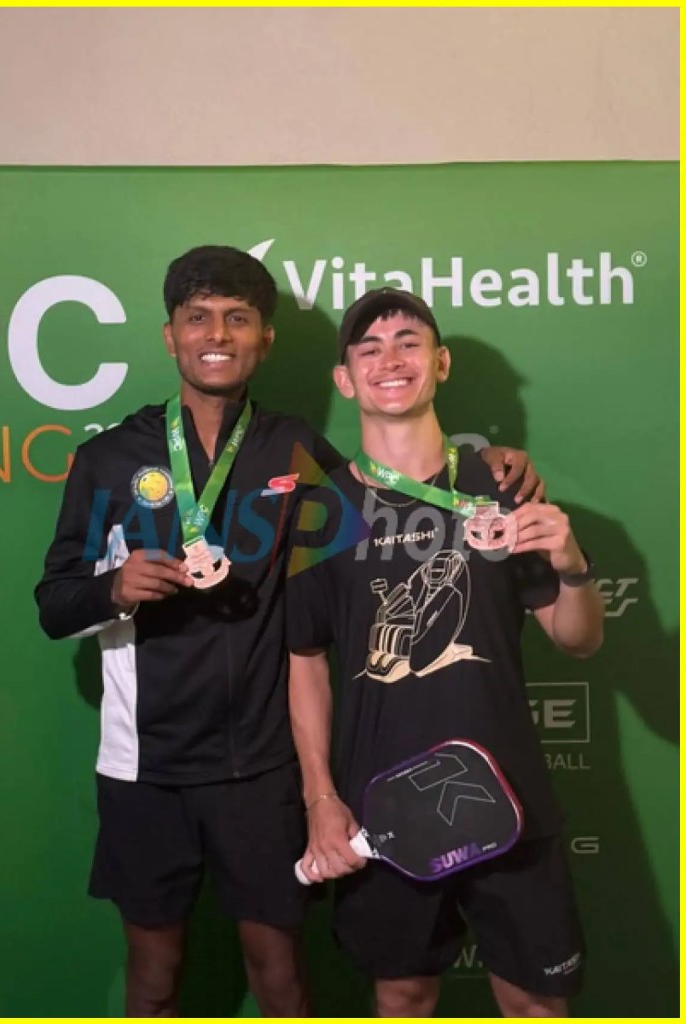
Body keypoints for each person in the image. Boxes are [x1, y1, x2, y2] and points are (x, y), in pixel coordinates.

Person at [35, 248, 544, 1017]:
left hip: (265, 766)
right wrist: (114, 589)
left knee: (279, 972)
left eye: (237, 318)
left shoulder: (297, 448)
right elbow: (54, 603)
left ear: (264, 339)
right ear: (170, 335)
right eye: (198, 318)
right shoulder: (108, 459)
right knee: (153, 970)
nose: (217, 334)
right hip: (145, 764)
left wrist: (487, 466)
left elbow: (395, 493)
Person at [286, 287, 604, 1017]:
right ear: (345, 379)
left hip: (509, 798)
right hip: (382, 808)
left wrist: (573, 566)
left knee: (538, 1005)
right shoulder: (323, 509)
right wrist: (321, 798)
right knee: (401, 995)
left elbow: (579, 639)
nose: (390, 360)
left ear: (441, 363)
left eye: (408, 342)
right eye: (370, 349)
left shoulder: (500, 486)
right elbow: (305, 663)